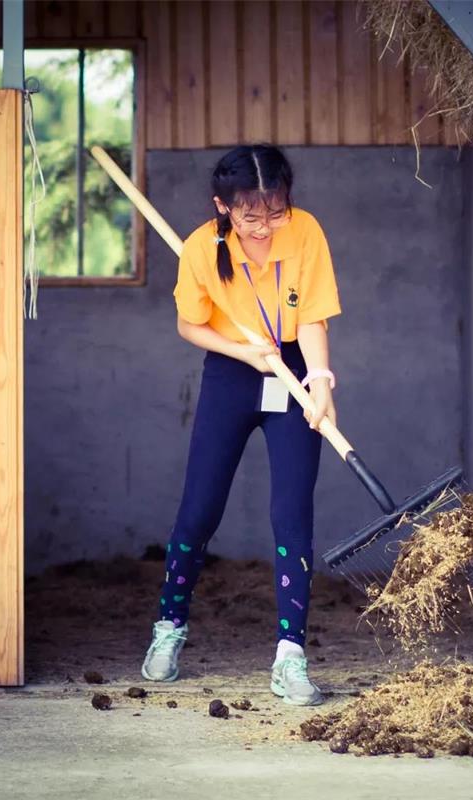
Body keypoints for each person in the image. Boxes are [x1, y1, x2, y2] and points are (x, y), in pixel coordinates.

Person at [140, 144, 341, 706]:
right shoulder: (201, 248)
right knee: (199, 508)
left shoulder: (306, 232)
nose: (265, 226)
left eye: (275, 212)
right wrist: (240, 351)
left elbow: (313, 316)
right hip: (232, 371)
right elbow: (189, 325)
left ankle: (290, 656)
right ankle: (169, 626)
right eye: (251, 216)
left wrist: (321, 382)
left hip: (294, 368)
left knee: (291, 513)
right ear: (223, 206)